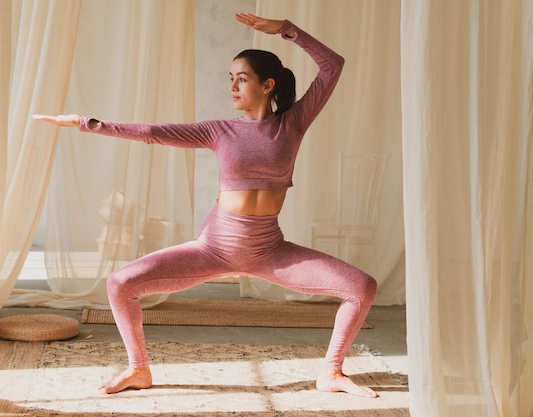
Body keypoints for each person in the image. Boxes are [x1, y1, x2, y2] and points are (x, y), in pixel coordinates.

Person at [33, 13, 378, 398]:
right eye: (230, 78)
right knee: (120, 284)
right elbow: (152, 133)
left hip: (269, 250)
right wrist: (85, 122)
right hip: (213, 247)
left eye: (241, 78)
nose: (232, 86)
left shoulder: (292, 123)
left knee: (361, 287)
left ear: (267, 85)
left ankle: (331, 372)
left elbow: (333, 66)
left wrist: (287, 29)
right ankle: (138, 369)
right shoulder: (220, 130)